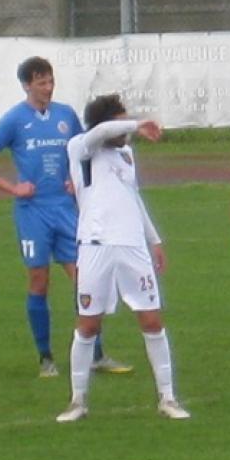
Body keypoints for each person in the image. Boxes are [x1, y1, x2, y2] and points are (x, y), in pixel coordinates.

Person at [0, 57, 130, 376]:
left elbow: (83, 151)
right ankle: (46, 358)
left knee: (86, 280)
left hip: (65, 210)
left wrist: (74, 178)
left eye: (50, 81)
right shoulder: (13, 120)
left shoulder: (65, 115)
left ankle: (97, 354)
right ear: (26, 85)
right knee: (39, 281)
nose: (48, 88)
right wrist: (12, 188)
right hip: (33, 213)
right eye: (41, 83)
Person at [56, 95, 189, 422]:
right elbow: (102, 133)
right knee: (88, 325)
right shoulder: (81, 147)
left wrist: (154, 239)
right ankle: (78, 401)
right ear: (106, 123)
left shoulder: (126, 155)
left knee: (152, 321)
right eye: (121, 121)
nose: (126, 129)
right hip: (95, 246)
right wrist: (137, 124)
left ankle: (168, 398)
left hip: (132, 247)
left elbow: (133, 197)